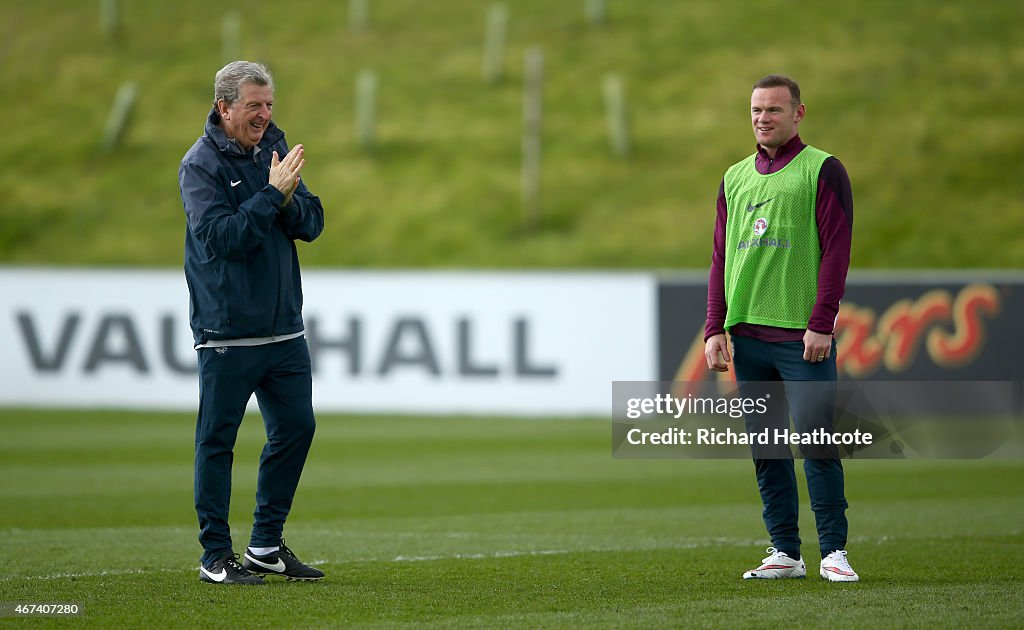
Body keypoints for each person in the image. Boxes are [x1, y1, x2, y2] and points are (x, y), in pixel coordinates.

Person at [703, 75, 859, 582]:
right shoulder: (733, 177)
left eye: (773, 109)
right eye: (755, 110)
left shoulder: (822, 170)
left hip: (801, 338)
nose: (762, 118)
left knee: (817, 443)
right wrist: (714, 327)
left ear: (799, 113)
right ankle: (785, 552)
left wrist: (821, 322)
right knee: (767, 450)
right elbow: (721, 258)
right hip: (746, 337)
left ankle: (833, 552)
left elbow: (837, 250)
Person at [179, 60, 326, 585]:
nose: (264, 115)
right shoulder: (200, 165)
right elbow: (223, 239)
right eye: (253, 106)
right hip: (228, 332)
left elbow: (312, 222)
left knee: (297, 429)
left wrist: (284, 195)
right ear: (224, 108)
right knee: (217, 441)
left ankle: (265, 545)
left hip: (284, 330)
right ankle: (215, 555)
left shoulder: (275, 152)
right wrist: (272, 194)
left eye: (269, 105)